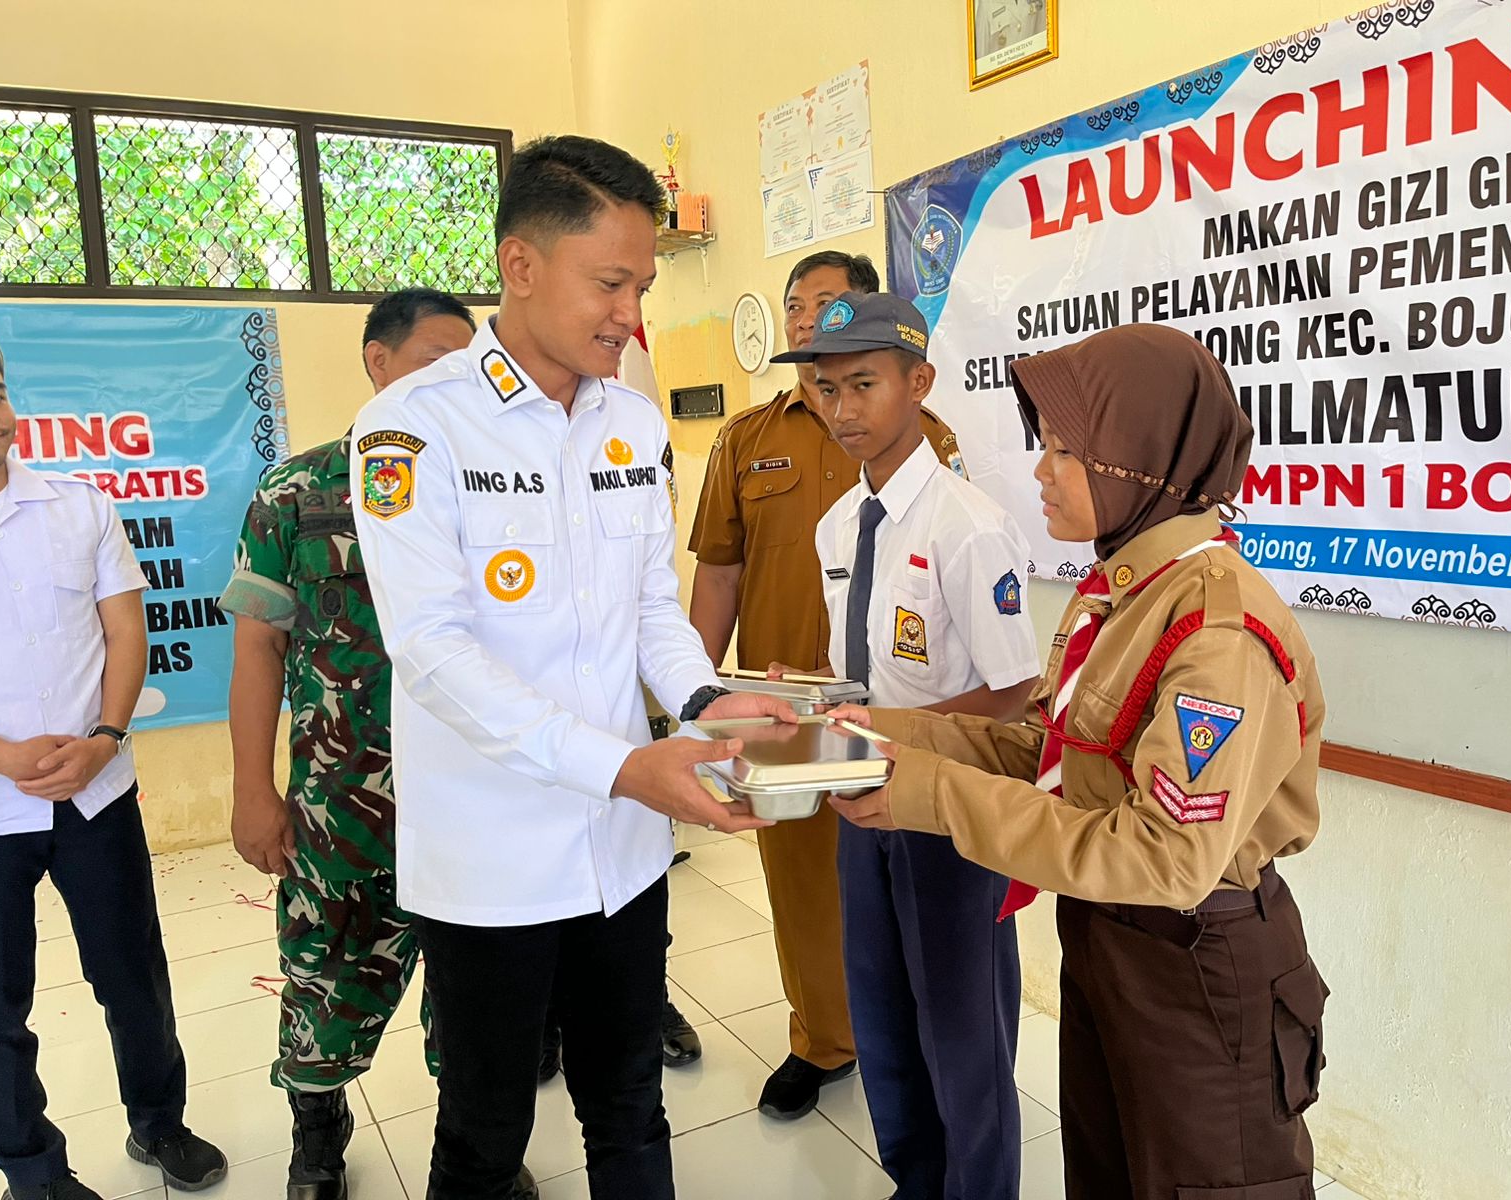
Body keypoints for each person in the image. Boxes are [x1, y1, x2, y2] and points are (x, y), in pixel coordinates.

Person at [349, 134, 793, 1200]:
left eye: (639, 286)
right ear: (521, 265)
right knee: (485, 1130)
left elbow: (650, 610)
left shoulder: (630, 424)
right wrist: (623, 764)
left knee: (629, 1106)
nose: (629, 316)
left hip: (623, 854)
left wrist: (701, 696)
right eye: (610, 283)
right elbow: (432, 651)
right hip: (490, 859)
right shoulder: (413, 428)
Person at [830, 324, 1331, 1200]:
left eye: (1066, 451)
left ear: (1140, 460)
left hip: (1197, 968)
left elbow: (1164, 856)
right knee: (1105, 1174)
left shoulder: (1216, 632)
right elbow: (1046, 752)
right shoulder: (1122, 595)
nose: (1040, 473)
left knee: (1205, 1183)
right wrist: (877, 734)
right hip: (1109, 942)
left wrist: (934, 796)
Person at [218, 289, 554, 1200]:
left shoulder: (496, 482)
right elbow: (257, 647)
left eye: (469, 361)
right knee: (323, 983)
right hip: (341, 811)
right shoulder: (299, 490)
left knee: (474, 1002)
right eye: (436, 358)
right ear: (378, 360)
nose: (459, 380)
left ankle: (480, 1149)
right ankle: (317, 1138)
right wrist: (255, 789)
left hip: (474, 807)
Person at [686, 251, 965, 1121]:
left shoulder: (929, 437)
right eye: (796, 306)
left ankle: (917, 1045)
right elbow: (719, 575)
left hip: (897, 716)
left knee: (908, 884)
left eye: (830, 302)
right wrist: (694, 704)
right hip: (787, 717)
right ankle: (822, 1043)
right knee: (802, 883)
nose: (809, 319)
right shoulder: (746, 439)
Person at [771, 292, 1039, 1199]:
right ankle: (915, 1181)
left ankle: (979, 1187)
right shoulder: (838, 525)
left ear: (918, 384)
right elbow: (853, 667)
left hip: (948, 813)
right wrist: (806, 708)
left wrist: (903, 749)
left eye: (864, 386)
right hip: (860, 799)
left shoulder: (969, 524)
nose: (843, 410)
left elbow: (1014, 689)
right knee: (881, 1016)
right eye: (826, 389)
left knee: (964, 1034)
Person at [0, 331, 228, 1200]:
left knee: (134, 975)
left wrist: (105, 737)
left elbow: (128, 630)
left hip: (96, 792)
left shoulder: (80, 506)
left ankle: (159, 1123)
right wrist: (2, 756)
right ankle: (33, 1175)